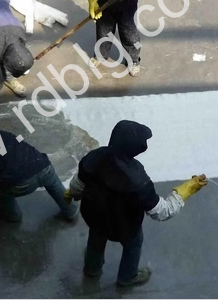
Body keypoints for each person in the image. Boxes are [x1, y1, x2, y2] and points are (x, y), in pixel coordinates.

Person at [65, 120, 207, 286]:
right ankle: (127, 277)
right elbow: (162, 211)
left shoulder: (94, 157)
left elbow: (78, 184)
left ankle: (92, 268)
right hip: (125, 226)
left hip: (94, 216)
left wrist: (72, 193)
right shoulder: (138, 180)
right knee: (133, 245)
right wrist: (187, 189)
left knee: (96, 237)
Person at [0, 117, 78, 223]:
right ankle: (71, 211)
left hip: (22, 183)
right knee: (53, 183)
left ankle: (12, 216)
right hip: (43, 165)